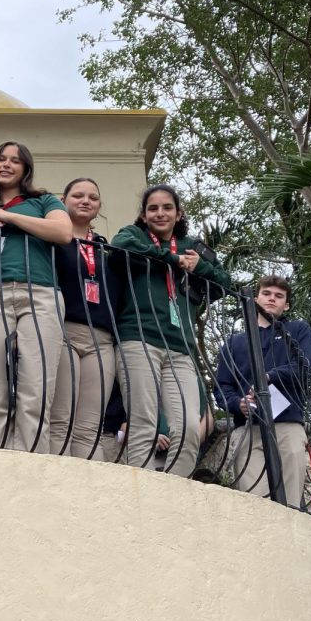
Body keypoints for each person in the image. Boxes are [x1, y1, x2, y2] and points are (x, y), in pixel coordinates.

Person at [111, 184, 232, 478]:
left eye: (167, 207)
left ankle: (173, 490)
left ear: (179, 213)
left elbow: (224, 284)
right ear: (143, 214)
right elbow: (119, 247)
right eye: (153, 208)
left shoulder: (192, 246)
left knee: (190, 426)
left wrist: (198, 266)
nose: (160, 213)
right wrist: (172, 260)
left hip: (181, 348)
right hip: (138, 339)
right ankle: (142, 491)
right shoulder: (135, 235)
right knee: (144, 423)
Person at [0, 142, 72, 451]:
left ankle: (32, 466)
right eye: (1, 158)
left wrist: (8, 217)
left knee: (35, 388)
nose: (7, 164)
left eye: (16, 160)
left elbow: (63, 233)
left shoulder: (42, 200)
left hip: (40, 292)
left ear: (26, 169)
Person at [215, 275, 311, 508]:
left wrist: (268, 377)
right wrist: (237, 403)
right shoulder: (234, 343)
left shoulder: (297, 330)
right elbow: (222, 387)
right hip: (249, 427)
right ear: (256, 298)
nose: (272, 299)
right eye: (266, 294)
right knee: (255, 505)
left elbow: (305, 366)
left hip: (288, 424)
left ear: (286, 305)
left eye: (279, 296)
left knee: (291, 505)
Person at [47, 178, 122, 459]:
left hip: (101, 340)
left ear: (99, 206)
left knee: (90, 425)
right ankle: (58, 490)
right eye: (77, 195)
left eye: (92, 197)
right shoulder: (55, 242)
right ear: (63, 200)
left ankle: (89, 495)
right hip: (65, 331)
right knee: (60, 419)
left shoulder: (109, 250)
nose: (85, 200)